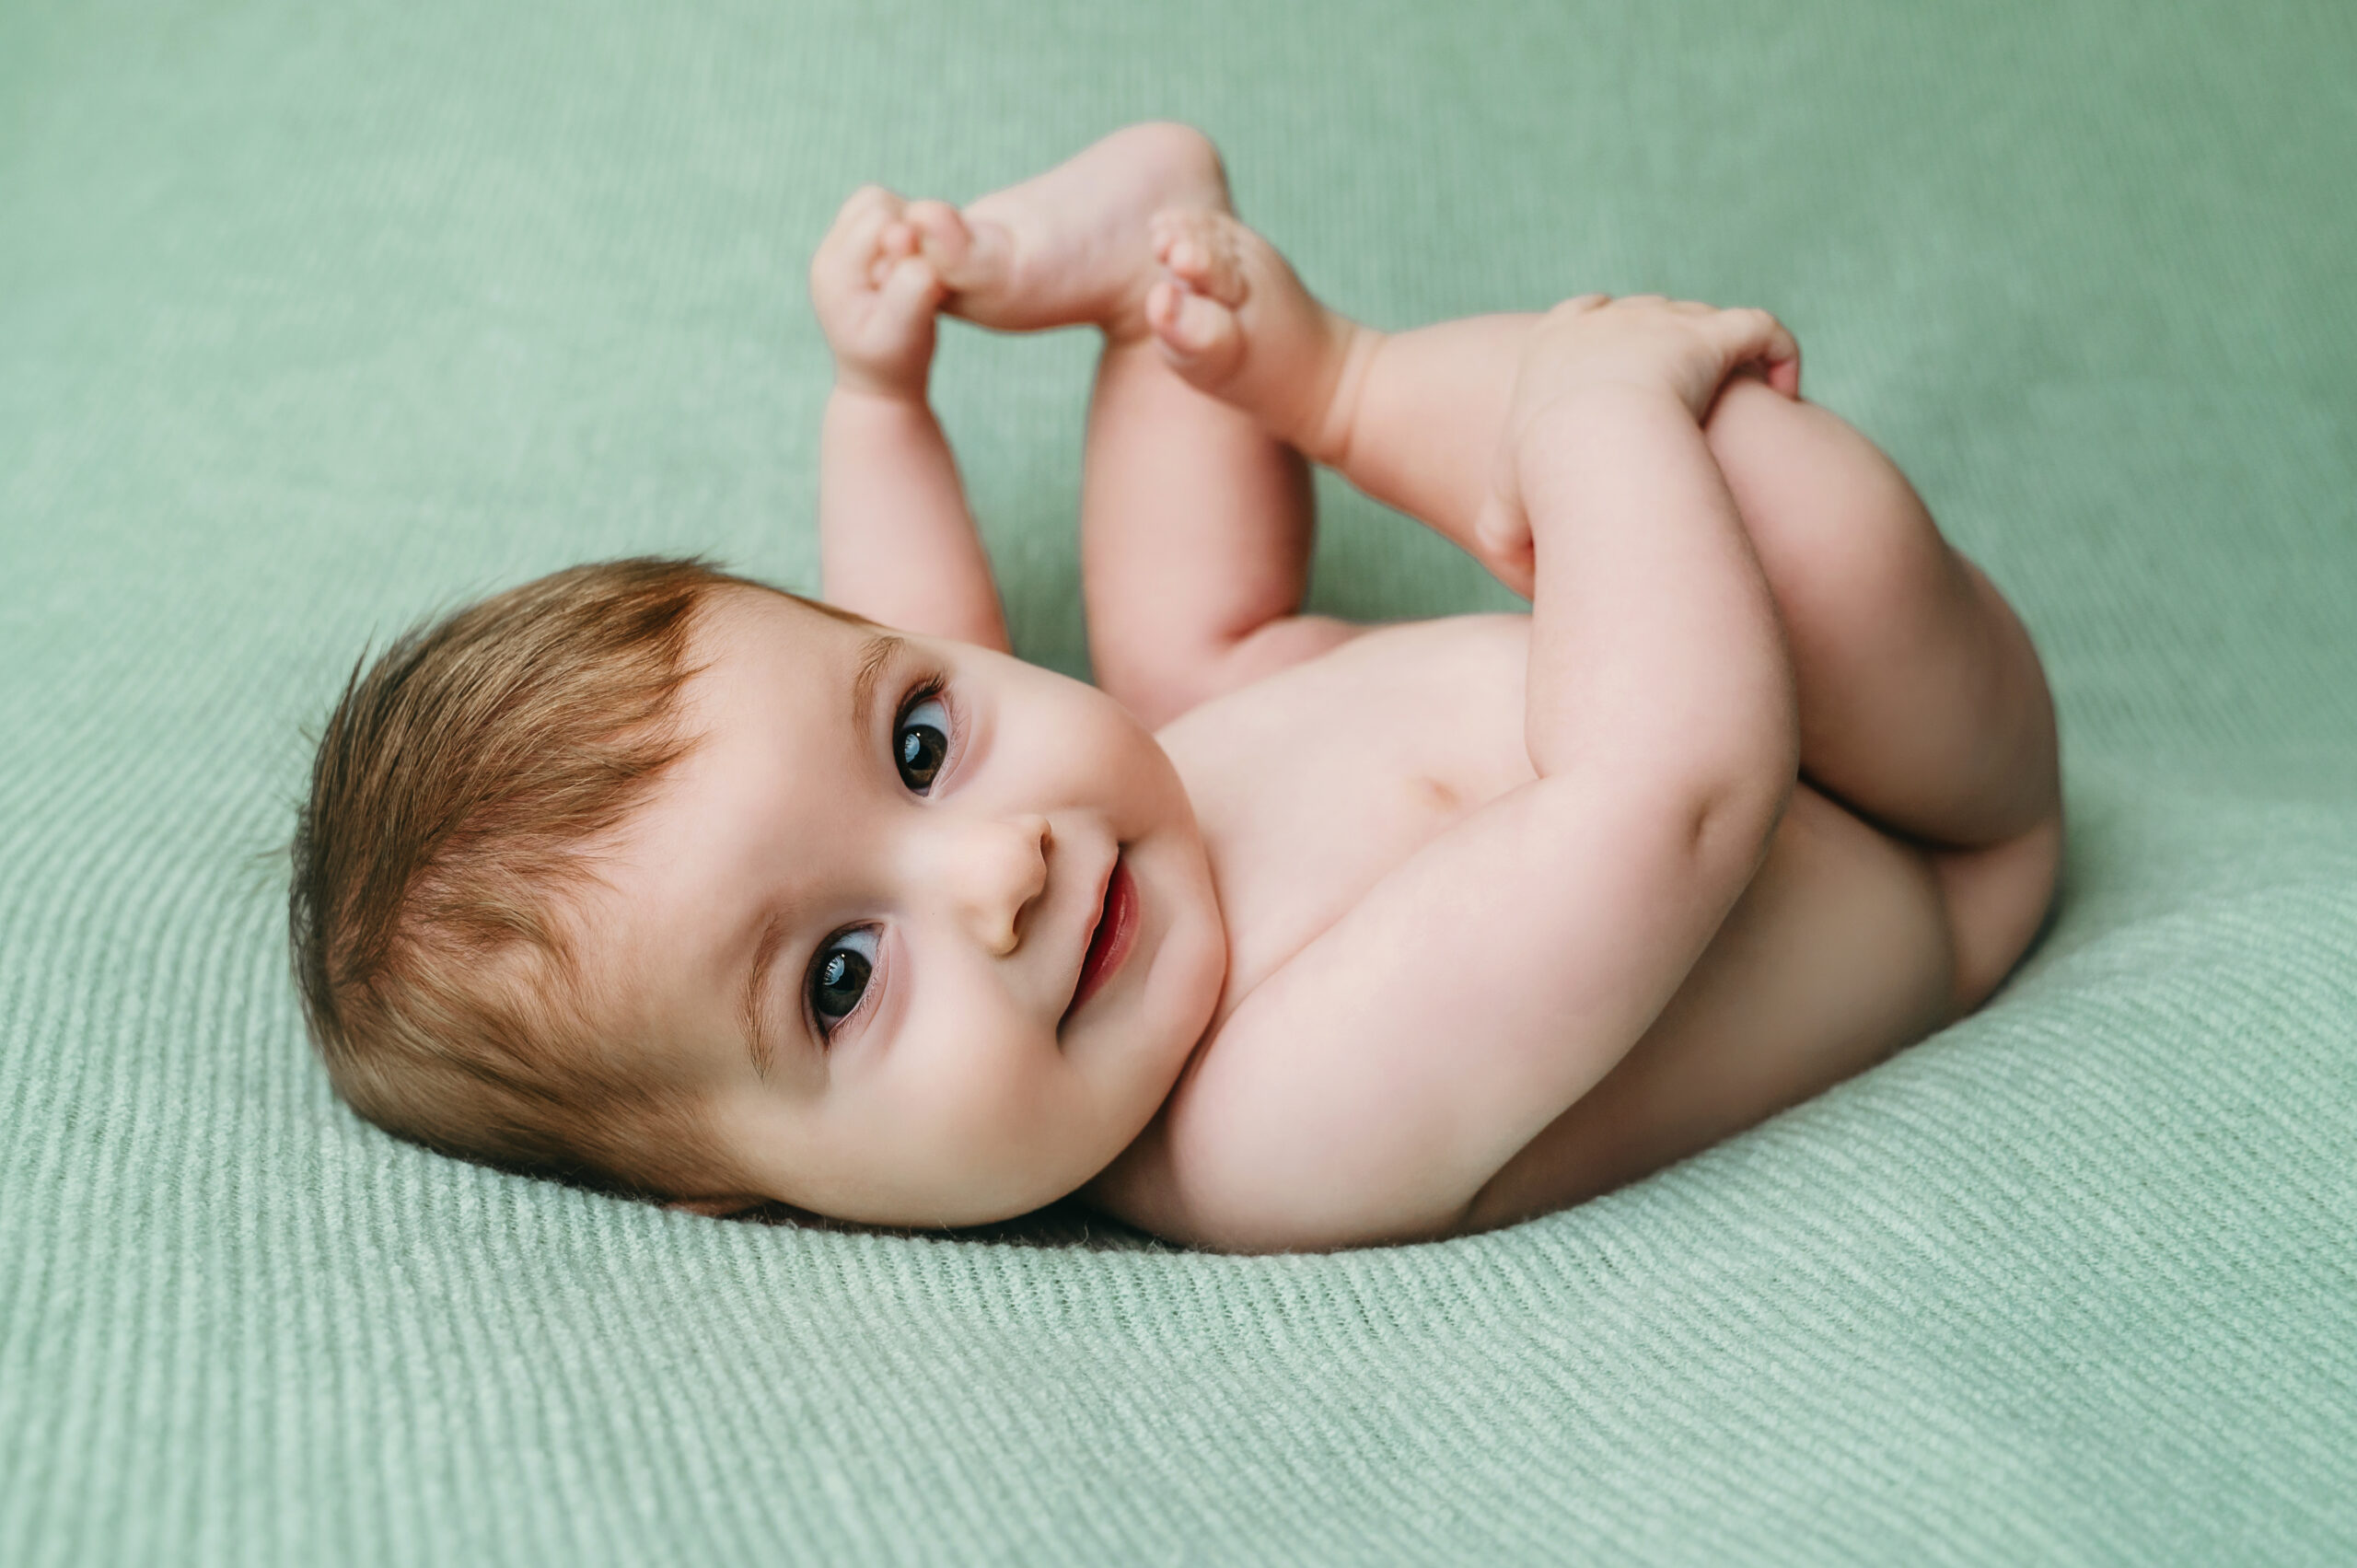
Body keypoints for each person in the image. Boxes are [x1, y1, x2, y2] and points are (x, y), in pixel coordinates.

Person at [291, 123, 2061, 1253]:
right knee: (1770, 495)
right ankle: (1345, 385)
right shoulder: (1273, 1127)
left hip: (1509, 714)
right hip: (1910, 812)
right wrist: (1589, 421)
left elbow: (907, 628)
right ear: (750, 1195)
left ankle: (1166, 284)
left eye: (920, 743)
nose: (997, 876)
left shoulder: (1073, 858)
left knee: (1175, 675)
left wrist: (878, 402)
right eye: (840, 982)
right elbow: (1669, 792)